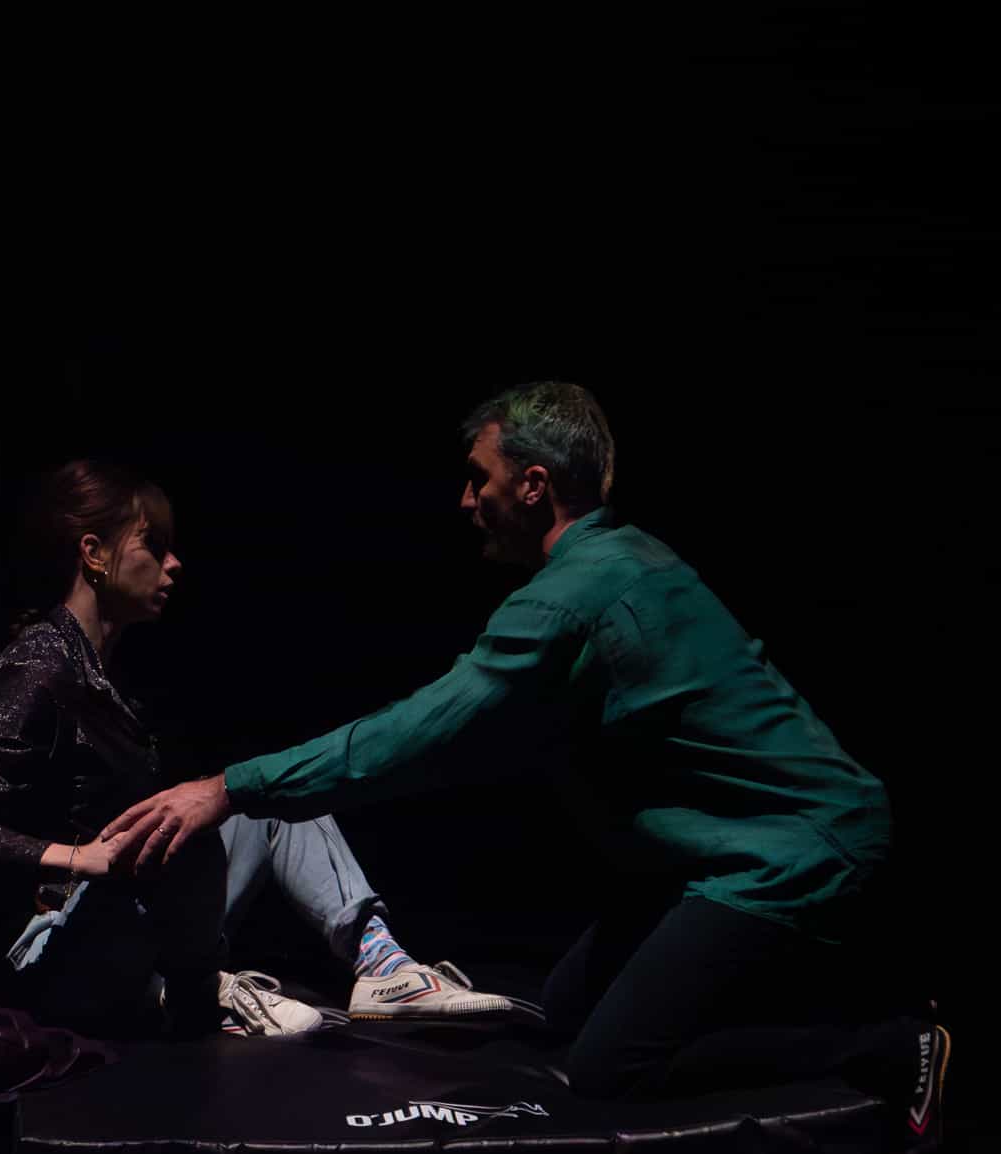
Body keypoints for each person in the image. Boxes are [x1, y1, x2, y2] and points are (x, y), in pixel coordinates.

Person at [100, 383, 949, 1142]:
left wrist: (231, 788)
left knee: (611, 1069)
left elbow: (420, 733)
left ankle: (884, 1043)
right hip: (716, 851)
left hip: (788, 851)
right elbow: (466, 748)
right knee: (566, 1011)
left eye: (481, 479)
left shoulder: (574, 595)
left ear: (534, 485)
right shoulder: (627, 556)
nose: (467, 499)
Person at [0, 459, 528, 1039]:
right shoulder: (38, 666)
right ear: (95, 554)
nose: (174, 563)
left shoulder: (108, 673)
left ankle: (382, 966)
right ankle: (194, 991)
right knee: (192, 832)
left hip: (122, 921)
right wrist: (77, 858)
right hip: (50, 949)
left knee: (262, 794)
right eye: (153, 545)